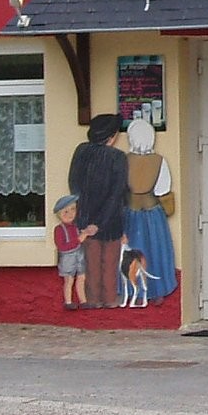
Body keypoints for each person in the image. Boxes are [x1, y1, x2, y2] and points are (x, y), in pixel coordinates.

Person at [69, 113, 129, 309]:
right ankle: (110, 300)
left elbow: (74, 184)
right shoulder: (118, 157)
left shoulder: (81, 151)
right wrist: (100, 222)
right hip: (110, 220)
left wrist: (86, 218)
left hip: (85, 217)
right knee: (110, 263)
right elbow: (117, 193)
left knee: (91, 263)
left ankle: (93, 300)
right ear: (111, 136)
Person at [121, 117, 180, 305]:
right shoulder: (159, 161)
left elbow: (120, 187)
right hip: (153, 213)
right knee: (155, 250)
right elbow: (163, 189)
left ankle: (130, 290)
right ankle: (157, 290)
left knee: (130, 252)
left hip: (129, 214)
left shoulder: (124, 160)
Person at [50, 193, 93, 310]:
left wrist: (86, 233)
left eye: (73, 210)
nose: (70, 214)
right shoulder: (59, 229)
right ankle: (68, 301)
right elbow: (62, 246)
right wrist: (79, 239)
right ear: (59, 214)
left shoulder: (75, 227)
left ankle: (83, 301)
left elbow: (80, 239)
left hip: (79, 256)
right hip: (68, 257)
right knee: (69, 279)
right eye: (65, 212)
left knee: (81, 277)